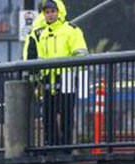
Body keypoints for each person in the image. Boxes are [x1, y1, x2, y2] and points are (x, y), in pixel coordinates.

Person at [24, 0, 88, 147]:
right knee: (47, 116)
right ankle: (51, 145)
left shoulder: (71, 30)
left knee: (66, 115)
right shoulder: (43, 34)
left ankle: (66, 146)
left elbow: (81, 55)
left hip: (66, 78)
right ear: (43, 14)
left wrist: (77, 78)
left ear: (59, 12)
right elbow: (40, 58)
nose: (50, 15)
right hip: (48, 80)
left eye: (53, 11)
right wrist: (37, 78)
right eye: (47, 12)